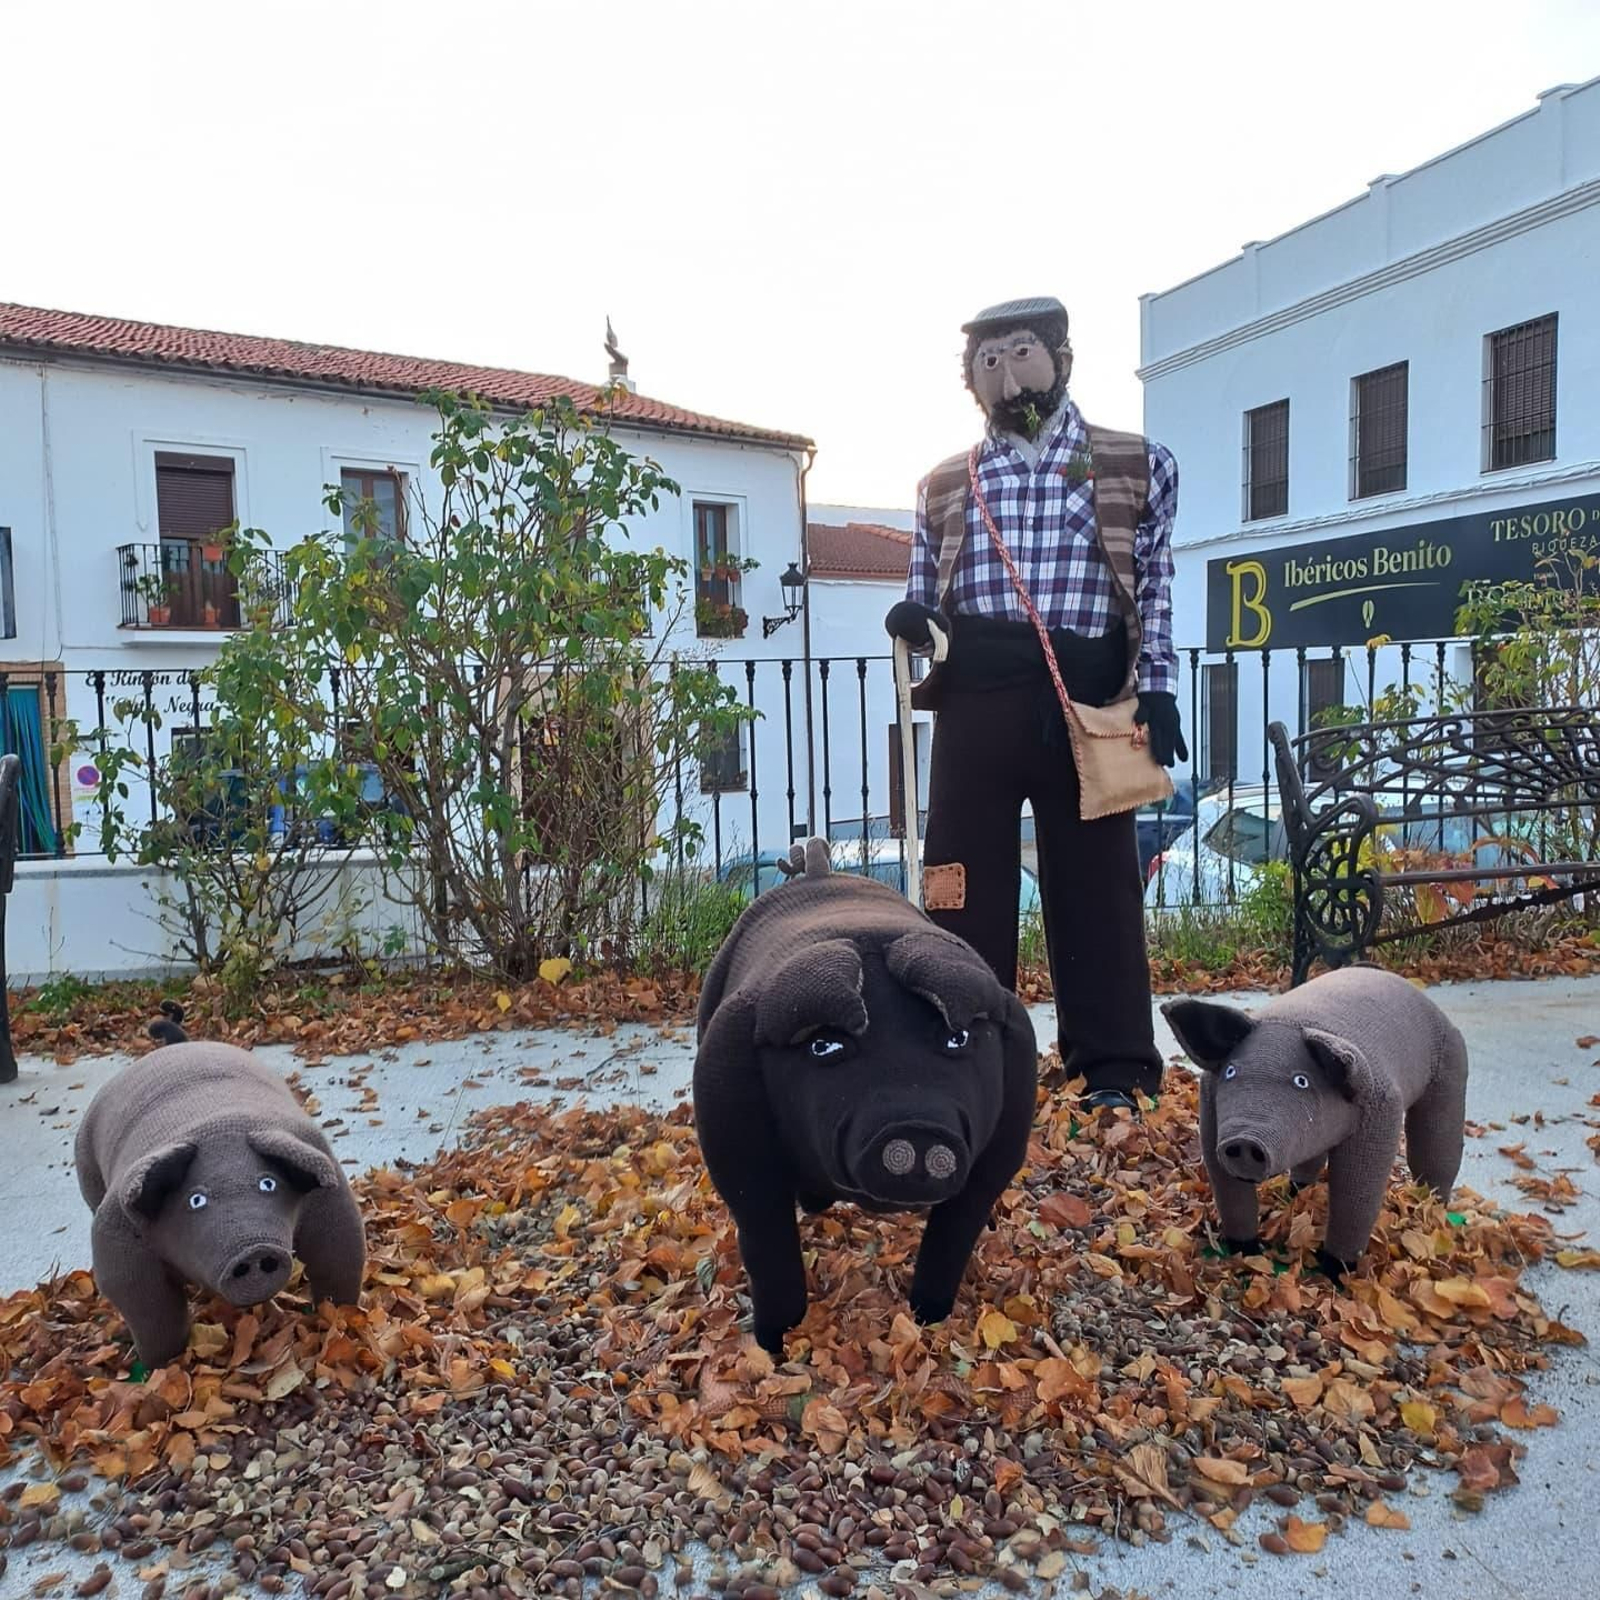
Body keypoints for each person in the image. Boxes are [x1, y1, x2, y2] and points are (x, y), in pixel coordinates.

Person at [886, 296, 1186, 1114]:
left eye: (1021, 352)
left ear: (1060, 357)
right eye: (988, 361)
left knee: (1098, 888)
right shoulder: (943, 483)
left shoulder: (1138, 464)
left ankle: (1114, 1067)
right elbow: (925, 596)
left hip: (1085, 702)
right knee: (958, 886)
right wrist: (914, 622)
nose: (1006, 374)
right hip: (975, 702)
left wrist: (1157, 684)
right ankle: (960, 1050)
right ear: (970, 378)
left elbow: (1154, 586)